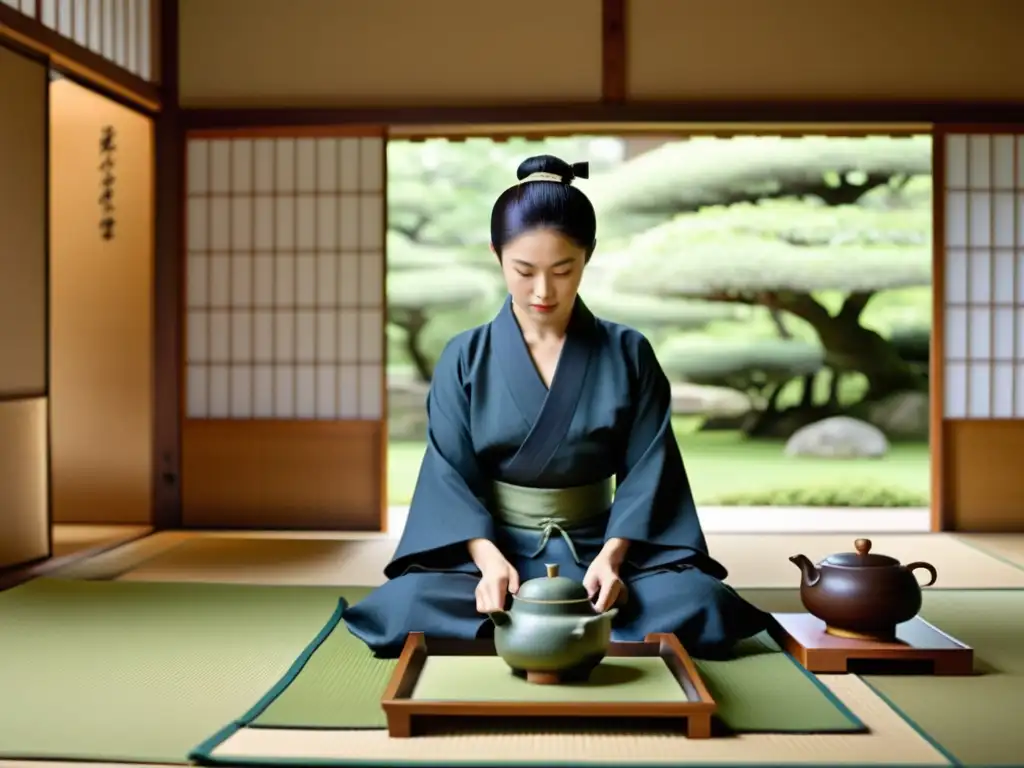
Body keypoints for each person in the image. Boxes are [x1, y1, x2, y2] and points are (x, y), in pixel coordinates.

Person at [343, 154, 771, 660]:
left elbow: (650, 471)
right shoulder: (465, 355)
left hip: (604, 549)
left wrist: (614, 557)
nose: (542, 291)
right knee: (405, 606)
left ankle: (535, 626)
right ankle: (574, 627)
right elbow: (448, 474)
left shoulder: (628, 352)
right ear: (496, 254)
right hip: (493, 552)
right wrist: (486, 561)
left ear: (587, 256)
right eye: (524, 271)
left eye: (562, 270)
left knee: (699, 602)